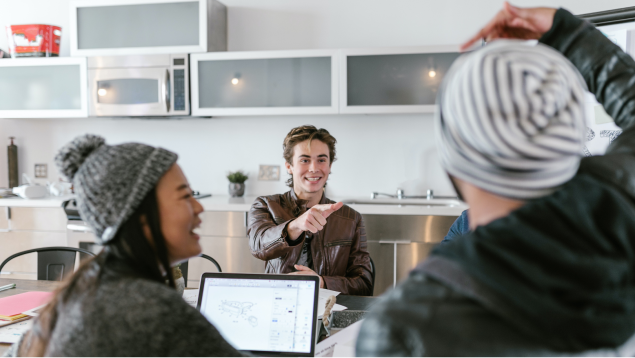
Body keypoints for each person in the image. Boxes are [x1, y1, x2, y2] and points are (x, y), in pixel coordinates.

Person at [356, 3, 635, 356]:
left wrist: (567, 30)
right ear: (568, 144)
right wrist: (568, 31)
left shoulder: (405, 327)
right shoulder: (623, 202)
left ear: (454, 162)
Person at [1, 135, 249, 358]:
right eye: (185, 196)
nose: (199, 207)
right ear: (139, 215)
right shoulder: (151, 309)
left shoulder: (80, 290)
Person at [247, 125, 373, 295]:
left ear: (329, 165)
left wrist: (321, 283)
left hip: (331, 312)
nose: (314, 168)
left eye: (321, 160)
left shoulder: (351, 218)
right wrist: (295, 225)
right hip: (278, 304)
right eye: (304, 160)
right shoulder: (265, 205)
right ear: (289, 166)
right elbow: (258, 247)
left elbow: (364, 285)